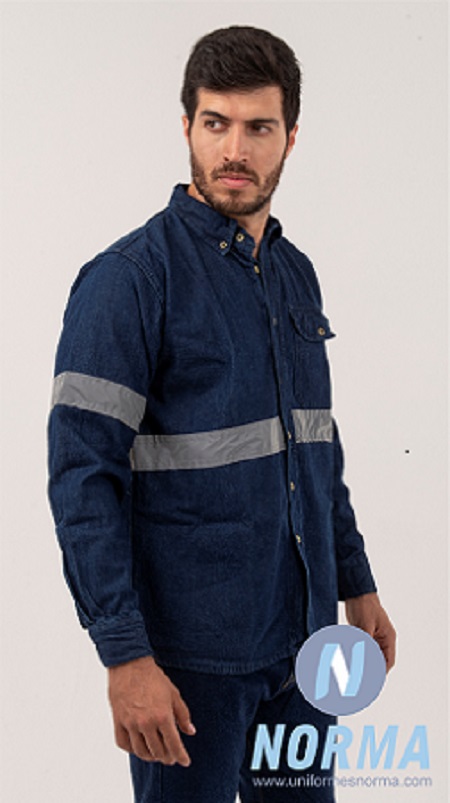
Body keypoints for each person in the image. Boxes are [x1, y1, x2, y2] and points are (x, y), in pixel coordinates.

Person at [47, 25, 396, 803]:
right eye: (216, 123)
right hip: (188, 663)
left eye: (258, 127)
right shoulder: (129, 281)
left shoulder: (294, 275)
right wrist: (123, 654)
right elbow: (81, 478)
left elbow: (315, 447)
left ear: (291, 138)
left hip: (303, 645)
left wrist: (356, 580)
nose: (235, 150)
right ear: (187, 127)